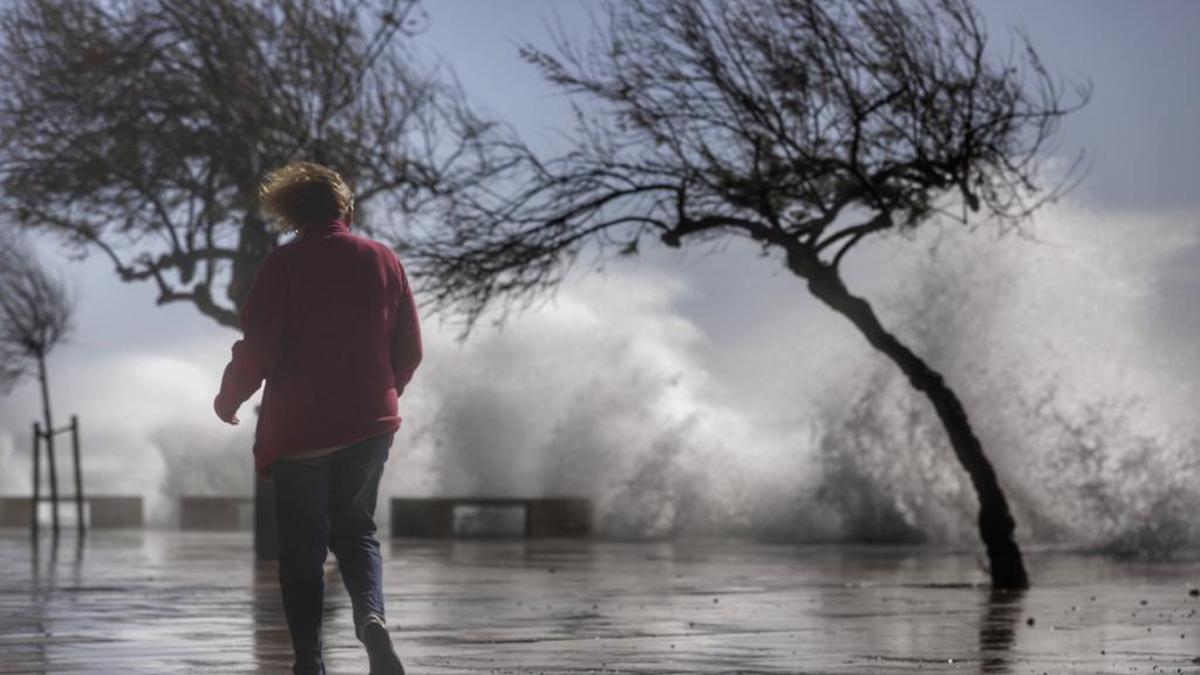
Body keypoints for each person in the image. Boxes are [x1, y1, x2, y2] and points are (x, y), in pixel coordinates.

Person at [214, 161, 421, 675]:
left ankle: (308, 662)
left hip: (300, 430)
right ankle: (372, 621)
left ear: (291, 215)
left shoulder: (283, 266)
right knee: (357, 531)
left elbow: (258, 348)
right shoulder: (384, 259)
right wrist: (379, 395)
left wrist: (230, 398)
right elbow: (410, 350)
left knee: (302, 550)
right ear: (344, 208)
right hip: (370, 424)